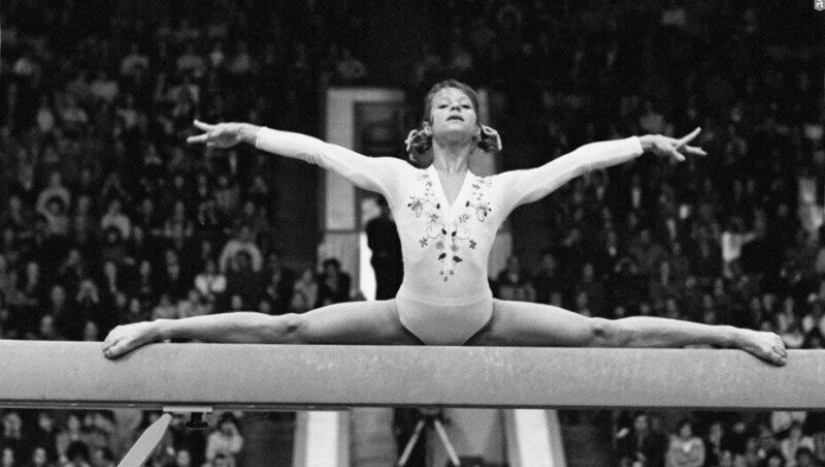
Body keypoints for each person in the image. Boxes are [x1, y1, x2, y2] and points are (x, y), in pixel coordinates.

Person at [102, 80, 787, 367]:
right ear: (425, 128)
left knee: (601, 333)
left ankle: (733, 336)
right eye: (444, 104)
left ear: (480, 128)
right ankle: (161, 327)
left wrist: (644, 143)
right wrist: (247, 133)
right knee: (289, 328)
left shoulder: (501, 188)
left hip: (486, 316)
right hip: (402, 316)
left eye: (465, 103)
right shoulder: (397, 176)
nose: (456, 107)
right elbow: (319, 152)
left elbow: (577, 162)